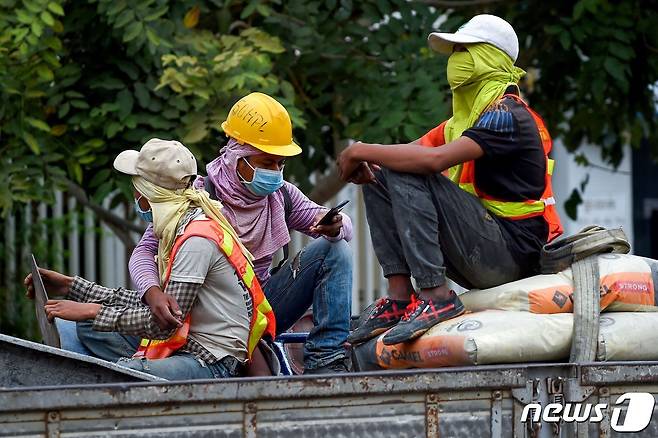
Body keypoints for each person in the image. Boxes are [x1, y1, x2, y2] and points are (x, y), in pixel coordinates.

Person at [339, 15, 563, 346]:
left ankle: (435, 295)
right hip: (483, 246)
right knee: (382, 175)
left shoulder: (506, 116)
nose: (455, 60)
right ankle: (400, 299)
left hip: (514, 256)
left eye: (463, 50)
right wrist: (368, 159)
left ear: (489, 56)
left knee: (406, 168)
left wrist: (360, 149)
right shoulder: (463, 121)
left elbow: (432, 161)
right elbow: (407, 152)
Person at [131, 93, 354, 374]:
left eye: (279, 164)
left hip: (261, 309)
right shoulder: (197, 196)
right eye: (265, 162)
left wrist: (334, 225)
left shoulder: (281, 195)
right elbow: (143, 252)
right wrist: (152, 293)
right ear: (236, 154)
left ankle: (326, 359)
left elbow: (336, 224)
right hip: (208, 317)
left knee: (334, 250)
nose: (274, 172)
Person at [24, 138, 276, 380]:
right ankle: (148, 367)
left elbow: (164, 325)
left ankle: (140, 368)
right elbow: (159, 307)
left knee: (120, 371)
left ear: (146, 194)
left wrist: (93, 310)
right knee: (89, 327)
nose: (136, 199)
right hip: (188, 340)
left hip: (210, 360)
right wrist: (72, 287)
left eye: (136, 190)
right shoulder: (180, 227)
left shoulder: (195, 242)